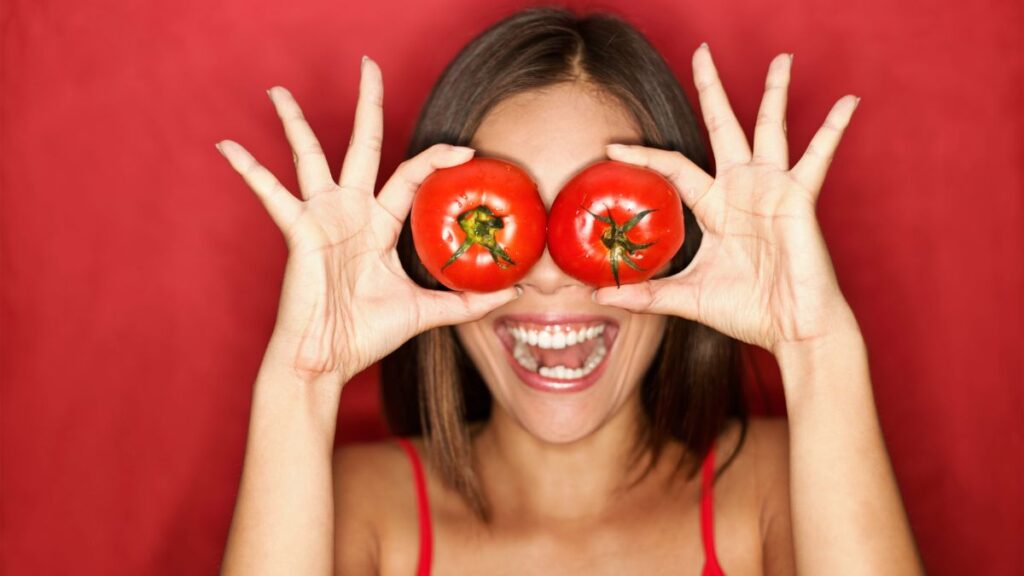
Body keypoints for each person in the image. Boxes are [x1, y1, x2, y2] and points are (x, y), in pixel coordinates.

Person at [216, 7, 923, 575]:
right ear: (429, 259)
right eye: (508, 223)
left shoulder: (777, 485)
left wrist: (816, 351)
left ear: (686, 249)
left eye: (608, 218)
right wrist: (300, 383)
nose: (550, 275)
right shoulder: (358, 506)